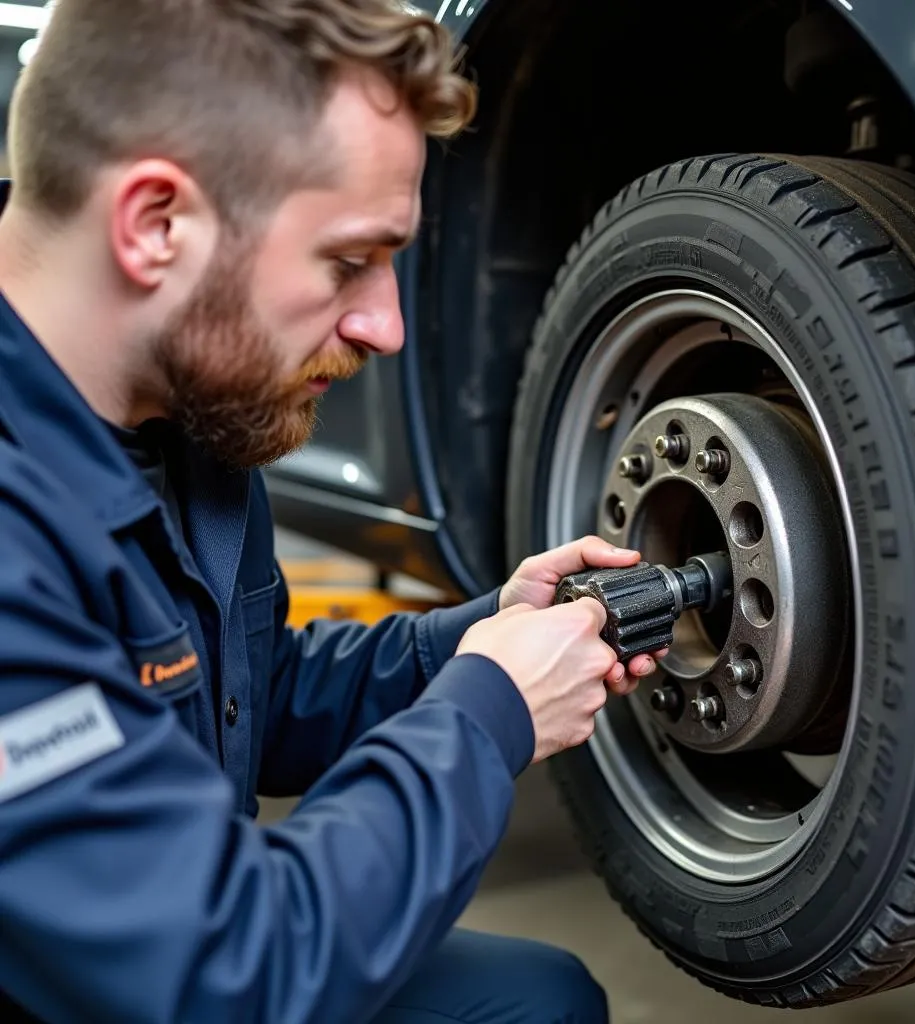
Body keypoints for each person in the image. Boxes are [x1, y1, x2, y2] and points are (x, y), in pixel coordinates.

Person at [0, 2, 667, 1021]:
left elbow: (235, 699)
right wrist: (489, 711)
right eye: (348, 258)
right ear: (155, 225)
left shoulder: (179, 413)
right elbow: (230, 973)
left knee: (539, 1002)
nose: (386, 324)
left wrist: (476, 641)